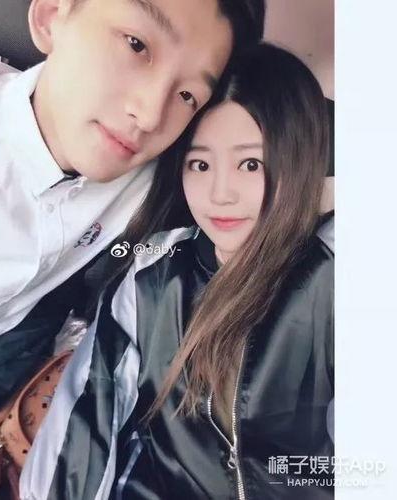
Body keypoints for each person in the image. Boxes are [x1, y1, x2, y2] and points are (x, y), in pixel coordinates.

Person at [0, 0, 266, 498]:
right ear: (52, 15)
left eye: (187, 94)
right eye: (137, 45)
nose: (149, 114)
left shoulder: (157, 184)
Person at [20, 43, 334, 500]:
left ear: (299, 160)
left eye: (251, 164)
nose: (219, 193)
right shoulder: (153, 273)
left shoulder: (334, 279)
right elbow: (90, 413)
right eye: (200, 164)